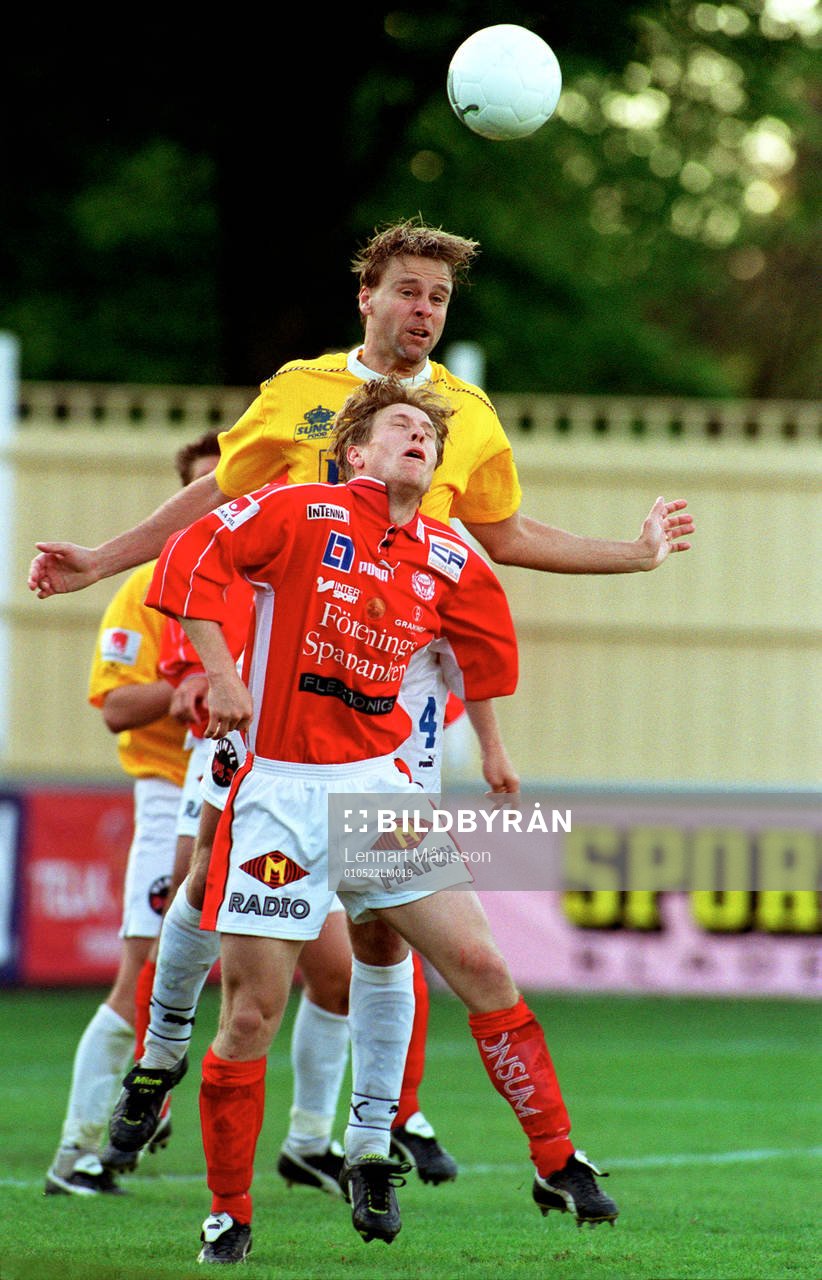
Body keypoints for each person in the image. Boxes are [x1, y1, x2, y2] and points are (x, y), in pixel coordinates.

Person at [29, 218, 694, 1187]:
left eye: (439, 298)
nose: (424, 311)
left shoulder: (465, 411)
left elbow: (499, 534)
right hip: (265, 670)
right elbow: (219, 498)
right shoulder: (301, 392)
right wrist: (99, 559)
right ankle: (162, 1052)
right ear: (367, 297)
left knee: (388, 923)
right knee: (207, 866)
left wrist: (631, 554)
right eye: (410, 292)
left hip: (395, 689)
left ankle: (371, 1133)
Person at [144, 378, 619, 1265]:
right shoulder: (299, 508)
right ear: (354, 451)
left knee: (479, 963)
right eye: (398, 426)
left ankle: (556, 1160)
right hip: (280, 791)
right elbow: (188, 562)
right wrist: (218, 670)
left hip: (379, 791)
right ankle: (228, 1209)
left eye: (428, 437)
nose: (417, 440)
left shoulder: (446, 555)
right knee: (252, 1015)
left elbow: (482, 653)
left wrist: (494, 743)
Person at [44, 433, 221, 1196]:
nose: (222, 501)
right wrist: (176, 693)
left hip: (263, 802)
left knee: (334, 976)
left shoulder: (278, 578)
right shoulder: (147, 588)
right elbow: (117, 707)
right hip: (172, 797)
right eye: (205, 489)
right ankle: (77, 1149)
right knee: (141, 975)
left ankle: (329, 1139)